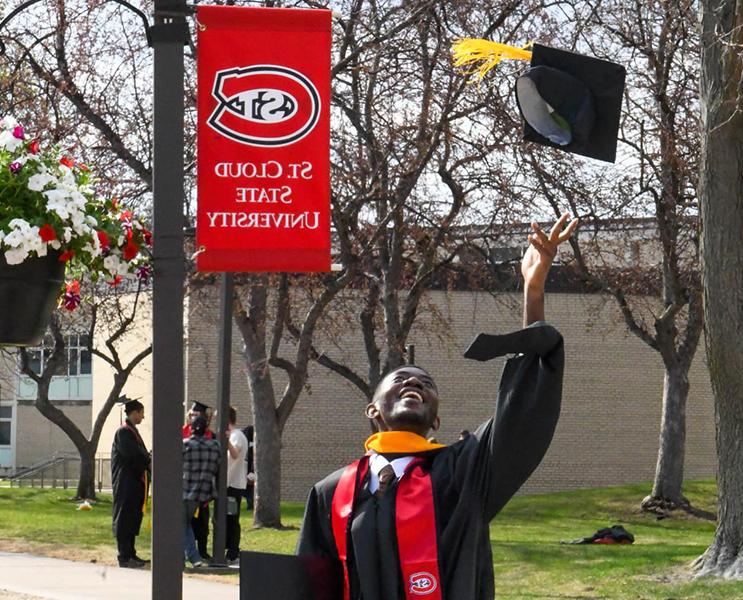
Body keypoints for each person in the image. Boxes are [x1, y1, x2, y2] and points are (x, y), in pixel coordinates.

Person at [296, 213, 577, 600]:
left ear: (436, 420)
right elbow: (307, 587)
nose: (414, 383)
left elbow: (520, 416)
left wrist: (533, 294)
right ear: (372, 411)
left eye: (425, 384)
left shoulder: (462, 473)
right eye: (400, 380)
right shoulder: (331, 493)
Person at [112, 399, 151, 568]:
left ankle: (131, 553)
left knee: (133, 517)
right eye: (141, 413)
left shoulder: (132, 431)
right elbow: (133, 455)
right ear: (134, 413)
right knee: (125, 518)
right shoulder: (124, 432)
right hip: (126, 482)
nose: (143, 416)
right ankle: (124, 556)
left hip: (135, 483)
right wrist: (148, 459)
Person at [182, 415, 220, 568]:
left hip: (184, 490)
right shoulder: (215, 446)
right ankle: (190, 555)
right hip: (203, 492)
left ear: (191, 429)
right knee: (184, 523)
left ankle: (192, 556)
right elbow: (218, 465)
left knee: (180, 523)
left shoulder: (185, 445)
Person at [224, 406, 249, 564]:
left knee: (232, 519)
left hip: (234, 485)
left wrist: (226, 440)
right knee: (227, 519)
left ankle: (233, 552)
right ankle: (228, 550)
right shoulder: (234, 435)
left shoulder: (237, 436)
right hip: (229, 484)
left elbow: (234, 454)